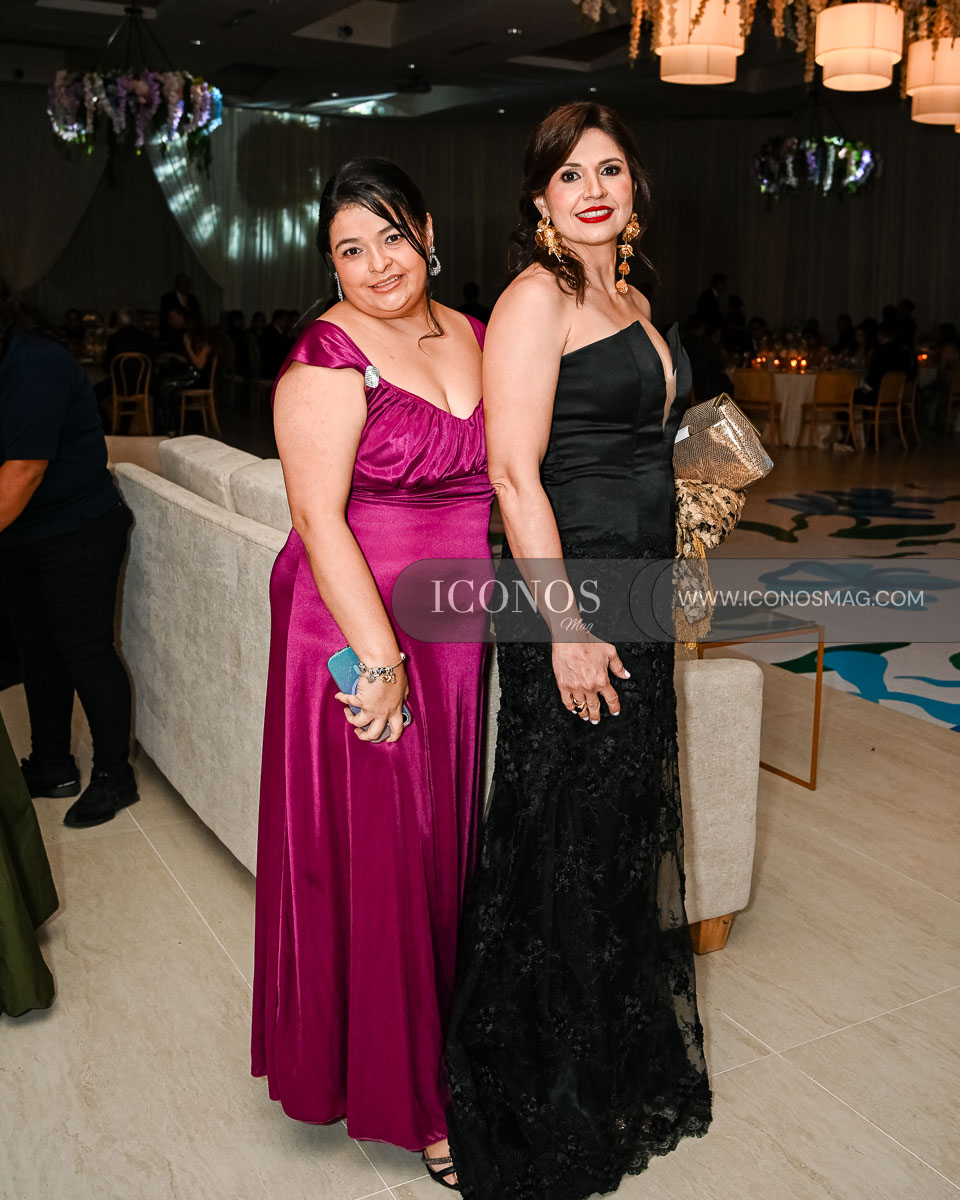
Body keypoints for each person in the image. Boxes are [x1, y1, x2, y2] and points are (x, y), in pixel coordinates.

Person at [445, 101, 712, 1200]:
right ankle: (525, 1096)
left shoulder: (633, 298)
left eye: (608, 169)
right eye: (570, 175)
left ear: (634, 185)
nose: (593, 189)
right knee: (557, 834)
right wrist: (562, 627)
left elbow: (645, 443)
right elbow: (514, 474)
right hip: (573, 600)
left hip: (637, 594)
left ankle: (600, 1071)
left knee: (617, 833)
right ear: (540, 197)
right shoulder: (535, 297)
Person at [251, 158, 494, 1187]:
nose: (377, 264)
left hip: (458, 628)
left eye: (391, 236)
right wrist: (382, 664)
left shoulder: (476, 331)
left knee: (441, 851)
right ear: (331, 265)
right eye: (350, 249)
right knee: (390, 856)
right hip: (359, 625)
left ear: (427, 230)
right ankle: (418, 1104)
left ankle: (442, 1053)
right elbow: (317, 520)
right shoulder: (326, 354)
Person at [0, 277, 137, 828]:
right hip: (22, 534)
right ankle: (52, 765)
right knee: (37, 654)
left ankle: (114, 777)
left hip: (76, 532)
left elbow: (23, 469)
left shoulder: (33, 361)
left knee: (85, 653)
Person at [159, 272, 200, 337]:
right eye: (181, 282)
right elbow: (163, 317)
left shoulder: (192, 299)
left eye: (186, 282)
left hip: (189, 332)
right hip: (172, 334)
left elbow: (196, 315)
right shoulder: (167, 297)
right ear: (176, 284)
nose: (184, 285)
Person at [256, 308, 293, 380]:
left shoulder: (277, 333)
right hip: (270, 370)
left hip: (272, 369)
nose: (287, 323)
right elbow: (275, 354)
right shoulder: (269, 333)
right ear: (278, 320)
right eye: (285, 321)